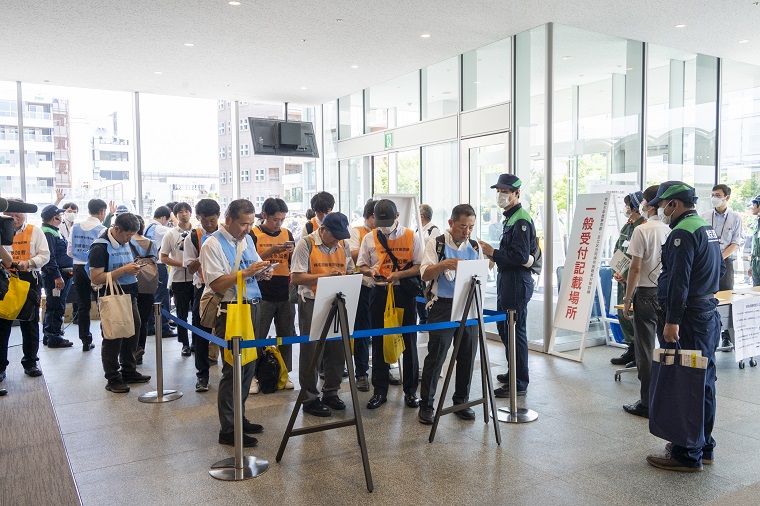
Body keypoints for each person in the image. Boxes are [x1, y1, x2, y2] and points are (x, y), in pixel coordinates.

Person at [645, 181, 723, 472]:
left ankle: (686, 453)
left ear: (674, 204)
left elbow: (679, 280)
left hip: (688, 318)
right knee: (703, 381)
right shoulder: (706, 228)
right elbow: (721, 268)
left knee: (686, 382)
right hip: (705, 313)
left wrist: (671, 321)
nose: (661, 210)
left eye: (663, 205)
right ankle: (703, 445)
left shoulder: (682, 233)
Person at [200, 199, 271, 447]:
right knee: (233, 369)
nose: (248, 229)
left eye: (251, 224)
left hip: (252, 306)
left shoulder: (247, 240)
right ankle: (228, 429)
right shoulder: (212, 244)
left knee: (249, 365)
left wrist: (262, 271)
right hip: (230, 310)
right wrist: (247, 273)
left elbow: (251, 267)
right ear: (227, 219)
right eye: (243, 223)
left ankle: (239, 417)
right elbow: (217, 283)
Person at [418, 204, 483, 424]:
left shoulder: (474, 245)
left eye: (471, 227)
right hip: (443, 306)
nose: (466, 232)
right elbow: (425, 274)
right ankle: (426, 404)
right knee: (436, 356)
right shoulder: (435, 244)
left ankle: (461, 401)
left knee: (467, 354)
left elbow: (482, 272)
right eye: (462, 226)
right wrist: (444, 264)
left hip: (469, 304)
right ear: (451, 223)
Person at [358, 199, 423, 410]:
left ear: (397, 217)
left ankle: (411, 391)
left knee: (409, 341)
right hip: (379, 292)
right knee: (378, 341)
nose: (383, 227)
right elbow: (361, 265)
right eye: (379, 222)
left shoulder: (412, 236)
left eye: (387, 222)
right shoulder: (369, 237)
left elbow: (420, 266)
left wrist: (400, 275)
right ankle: (380, 390)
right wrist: (371, 272)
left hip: (404, 292)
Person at [478, 174, 537, 398]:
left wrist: (492, 252)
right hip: (508, 280)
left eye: (505, 191)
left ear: (517, 194)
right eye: (499, 191)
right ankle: (514, 370)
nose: (501, 195)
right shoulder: (510, 218)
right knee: (506, 328)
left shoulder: (520, 220)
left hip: (516, 281)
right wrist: (494, 258)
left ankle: (519, 381)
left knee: (515, 331)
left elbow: (521, 256)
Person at [291, 212, 354, 417]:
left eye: (340, 235)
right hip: (312, 300)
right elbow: (296, 277)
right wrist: (324, 276)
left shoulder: (343, 245)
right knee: (311, 349)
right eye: (333, 235)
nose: (337, 239)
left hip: (338, 300)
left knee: (337, 347)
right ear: (323, 229)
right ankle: (309, 398)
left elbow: (350, 270)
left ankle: (331, 392)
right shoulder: (306, 244)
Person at [87, 213, 151, 393]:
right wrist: (123, 270)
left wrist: (133, 270)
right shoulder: (99, 247)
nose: (129, 239)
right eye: (127, 235)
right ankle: (113, 378)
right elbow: (96, 277)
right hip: (112, 297)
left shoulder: (126, 242)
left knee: (133, 332)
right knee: (113, 337)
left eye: (132, 235)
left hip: (130, 294)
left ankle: (129, 370)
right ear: (116, 229)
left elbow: (125, 263)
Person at [621, 186, 670, 418]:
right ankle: (666, 398)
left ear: (649, 205)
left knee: (645, 349)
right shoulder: (671, 229)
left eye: (642, 201)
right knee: (667, 347)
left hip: (645, 293)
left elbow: (636, 267)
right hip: (665, 292)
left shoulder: (642, 230)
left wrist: (628, 297)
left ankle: (647, 403)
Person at [0, 199, 50, 380]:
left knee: (29, 323)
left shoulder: (34, 231)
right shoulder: (0, 229)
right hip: (4, 281)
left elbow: (45, 255)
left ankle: (30, 362)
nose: (14, 218)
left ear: (24, 215)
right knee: (2, 324)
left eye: (18, 215)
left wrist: (28, 263)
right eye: (10, 215)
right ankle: (0, 367)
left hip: (28, 279)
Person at [250, 198, 296, 393]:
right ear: (265, 215)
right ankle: (252, 375)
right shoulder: (253, 234)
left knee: (286, 334)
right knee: (258, 335)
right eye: (275, 219)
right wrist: (272, 250)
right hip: (261, 292)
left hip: (284, 291)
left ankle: (284, 373)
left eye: (282, 219)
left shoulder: (287, 233)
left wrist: (292, 251)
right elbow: (249, 262)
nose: (278, 224)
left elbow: (293, 262)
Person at [183, 199, 220, 392]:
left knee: (229, 332)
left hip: (226, 286)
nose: (208, 225)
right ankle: (202, 375)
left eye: (212, 220)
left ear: (219, 217)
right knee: (201, 332)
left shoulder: (226, 233)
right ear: (198, 218)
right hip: (203, 288)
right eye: (204, 220)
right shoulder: (193, 236)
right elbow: (190, 267)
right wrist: (203, 255)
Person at [701, 184, 742, 349]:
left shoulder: (735, 218)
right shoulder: (704, 216)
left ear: (727, 197)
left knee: (726, 297)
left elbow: (735, 243)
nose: (714, 198)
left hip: (726, 261)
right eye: (712, 195)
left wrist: (719, 258)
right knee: (707, 294)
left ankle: (727, 336)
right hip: (706, 262)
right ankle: (707, 330)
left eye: (717, 195)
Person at [610, 192, 647, 367]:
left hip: (634, 280)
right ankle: (630, 348)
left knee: (633, 315)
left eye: (627, 205)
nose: (625, 209)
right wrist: (617, 271)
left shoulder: (644, 227)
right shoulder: (628, 226)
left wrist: (625, 274)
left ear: (634, 206)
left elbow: (640, 257)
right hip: (622, 278)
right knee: (622, 314)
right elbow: (619, 248)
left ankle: (638, 353)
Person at [68, 198, 107, 351]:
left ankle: (85, 340)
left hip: (78, 268)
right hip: (95, 270)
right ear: (102, 211)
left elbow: (69, 251)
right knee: (102, 304)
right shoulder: (102, 229)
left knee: (83, 305)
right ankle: (106, 336)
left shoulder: (75, 227)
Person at [348, 200, 376, 392]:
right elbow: (351, 253)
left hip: (382, 287)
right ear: (369, 216)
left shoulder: (385, 233)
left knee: (382, 331)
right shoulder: (357, 231)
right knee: (363, 332)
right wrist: (373, 250)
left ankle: (383, 368)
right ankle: (361, 373)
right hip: (362, 287)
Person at [161, 202, 194, 357]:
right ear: (175, 215)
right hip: (179, 279)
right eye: (180, 211)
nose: (184, 214)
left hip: (197, 279)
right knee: (181, 314)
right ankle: (184, 344)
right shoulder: (170, 234)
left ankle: (197, 341)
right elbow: (163, 257)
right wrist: (181, 264)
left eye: (186, 211)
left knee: (198, 314)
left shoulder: (197, 232)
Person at [40, 205, 74, 348]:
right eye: (59, 215)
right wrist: (57, 276)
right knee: (56, 306)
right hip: (56, 277)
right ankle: (54, 337)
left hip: (60, 274)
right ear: (55, 218)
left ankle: (50, 335)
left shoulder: (53, 231)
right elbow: (50, 258)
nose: (61, 218)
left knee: (55, 305)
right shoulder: (48, 233)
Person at [145, 206, 177, 338]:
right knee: (162, 296)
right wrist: (174, 217)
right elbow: (178, 232)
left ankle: (151, 326)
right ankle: (163, 327)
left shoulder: (148, 226)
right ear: (164, 218)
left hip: (149, 266)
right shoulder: (159, 228)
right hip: (159, 265)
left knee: (153, 297)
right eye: (167, 220)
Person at [129, 216, 157, 365]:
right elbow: (156, 259)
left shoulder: (126, 243)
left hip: (130, 284)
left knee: (130, 320)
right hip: (147, 285)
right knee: (143, 321)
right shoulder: (150, 243)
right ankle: (140, 351)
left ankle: (130, 352)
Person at [417, 204, 441, 326]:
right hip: (418, 266)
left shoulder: (433, 229)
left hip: (427, 266)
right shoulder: (418, 229)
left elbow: (435, 250)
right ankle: (422, 317)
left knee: (426, 292)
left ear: (421, 216)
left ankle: (427, 319)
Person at [748, 194, 760, 286]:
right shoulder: (757, 223)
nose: (752, 207)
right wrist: (751, 265)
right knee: (756, 294)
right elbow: (755, 245)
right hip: (756, 263)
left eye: (754, 205)